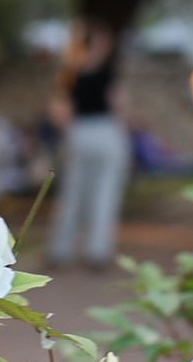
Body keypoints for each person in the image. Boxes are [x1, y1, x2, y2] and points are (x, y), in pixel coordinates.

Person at [47, 22, 132, 268]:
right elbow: (119, 103)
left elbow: (61, 111)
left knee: (73, 193)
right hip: (105, 131)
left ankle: (60, 249)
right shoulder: (108, 72)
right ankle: (97, 250)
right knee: (105, 192)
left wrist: (69, 133)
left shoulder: (71, 73)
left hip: (79, 133)